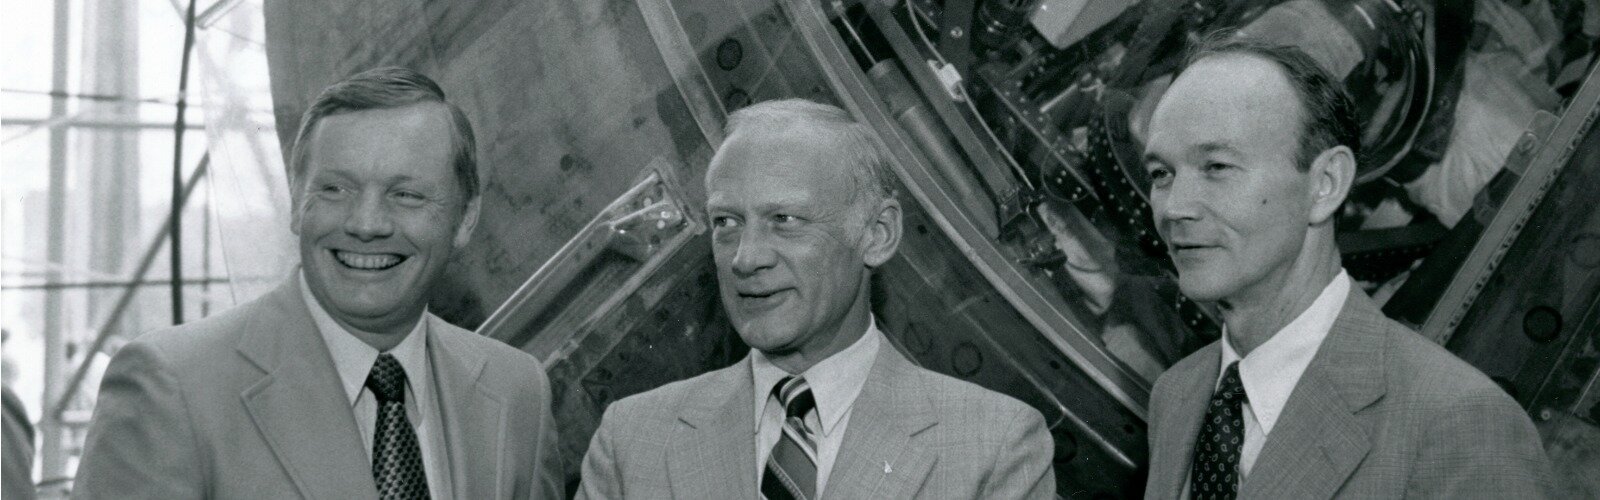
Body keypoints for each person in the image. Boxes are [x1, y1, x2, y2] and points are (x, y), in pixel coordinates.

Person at [75, 67, 561, 499]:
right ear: (295, 203)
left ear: (465, 219)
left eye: (406, 195)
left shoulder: (517, 391)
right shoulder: (173, 387)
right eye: (335, 189)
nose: (367, 223)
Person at [576, 99, 1055, 499]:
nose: (746, 258)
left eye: (784, 219)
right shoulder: (632, 441)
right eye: (726, 222)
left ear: (878, 234)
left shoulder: (994, 449)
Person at [1139, 36, 1553, 499]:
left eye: (1216, 166)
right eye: (1161, 174)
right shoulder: (1177, 396)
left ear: (1326, 184)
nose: (1174, 208)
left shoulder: (1458, 425)